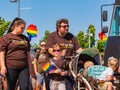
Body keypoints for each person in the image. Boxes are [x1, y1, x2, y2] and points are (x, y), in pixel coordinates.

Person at [0, 17, 30, 90]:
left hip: (23, 67)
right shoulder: (6, 37)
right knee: (11, 87)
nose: (23, 30)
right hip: (11, 66)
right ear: (15, 26)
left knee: (25, 86)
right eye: (22, 28)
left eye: (24, 28)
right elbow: (2, 53)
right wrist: (3, 66)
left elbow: (28, 53)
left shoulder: (25, 38)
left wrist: (30, 67)